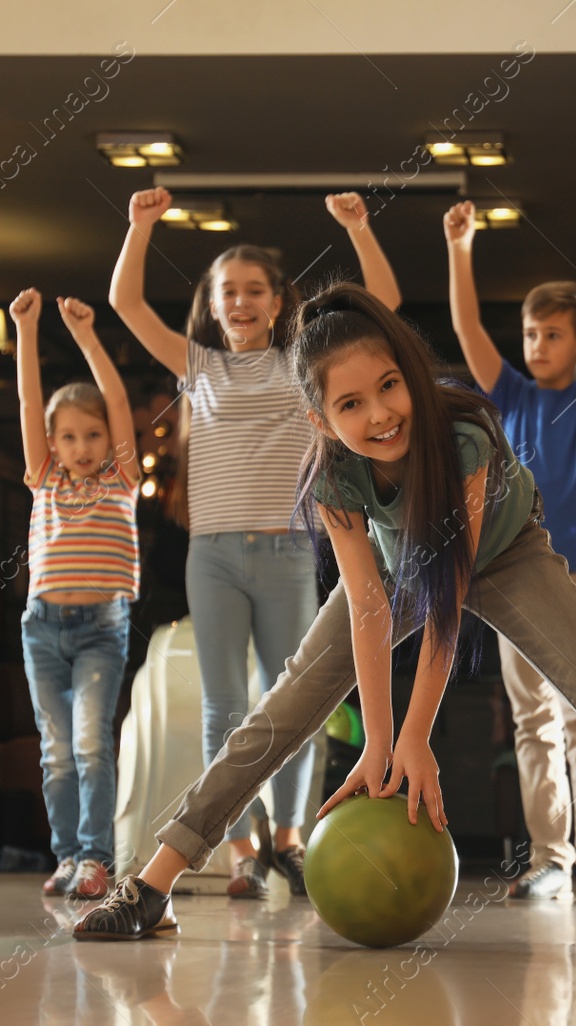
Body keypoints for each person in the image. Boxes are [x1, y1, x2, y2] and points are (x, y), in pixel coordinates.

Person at [73, 282, 576, 949]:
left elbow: (449, 593)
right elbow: (371, 604)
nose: (378, 414)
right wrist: (378, 741)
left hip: (505, 556)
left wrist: (415, 737)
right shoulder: (334, 477)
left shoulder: (462, 438)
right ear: (318, 418)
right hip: (401, 566)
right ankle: (152, 884)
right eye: (349, 404)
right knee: (282, 710)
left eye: (389, 386)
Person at [108, 187, 401, 899]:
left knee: (297, 701)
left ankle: (291, 840)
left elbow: (382, 302)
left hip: (289, 552)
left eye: (254, 291)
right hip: (211, 556)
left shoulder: (303, 361)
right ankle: (240, 848)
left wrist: (358, 229)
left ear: (277, 302)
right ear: (213, 305)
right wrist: (139, 227)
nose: (240, 302)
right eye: (227, 292)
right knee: (224, 708)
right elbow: (125, 302)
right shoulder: (197, 367)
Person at [442, 197, 576, 903]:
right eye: (531, 333)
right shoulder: (509, 394)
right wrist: (461, 248)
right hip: (511, 576)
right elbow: (468, 328)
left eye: (552, 334)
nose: (537, 344)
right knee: (532, 722)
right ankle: (549, 859)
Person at [11, 289, 142, 900]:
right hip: (42, 626)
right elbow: (27, 398)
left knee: (92, 744)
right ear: (52, 443)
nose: (82, 447)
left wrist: (87, 336)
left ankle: (96, 859)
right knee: (56, 752)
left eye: (92, 435)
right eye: (68, 437)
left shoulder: (120, 477)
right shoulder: (46, 479)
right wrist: (27, 330)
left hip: (100, 627)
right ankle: (66, 856)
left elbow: (115, 398)